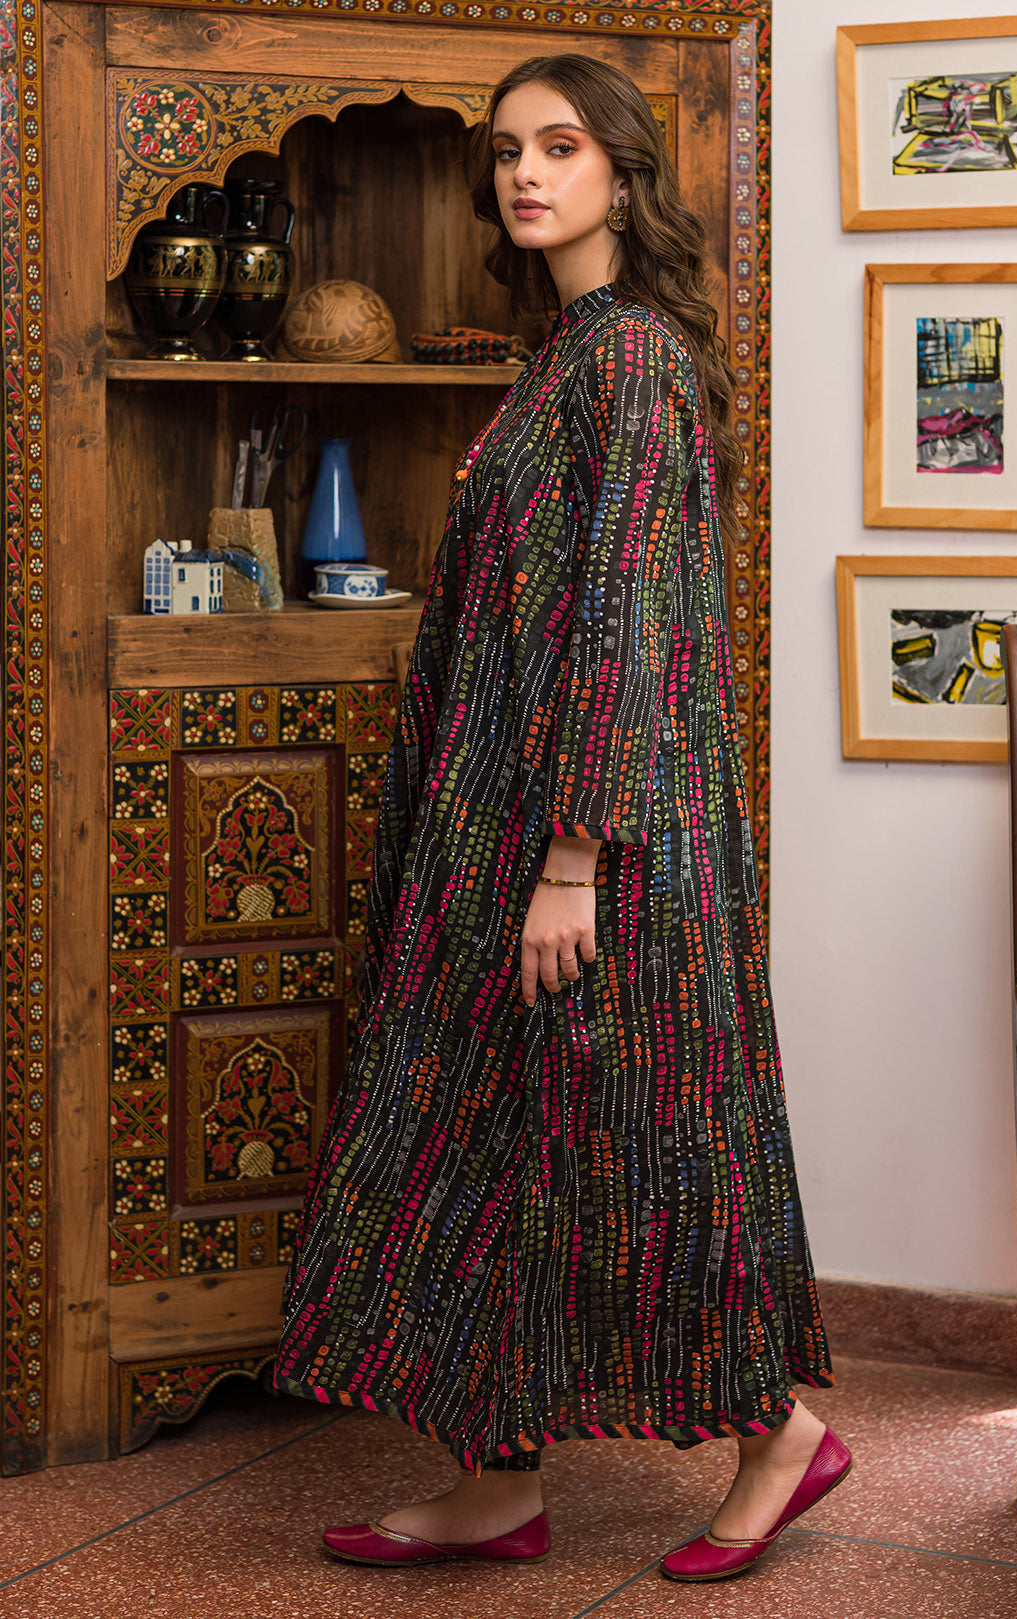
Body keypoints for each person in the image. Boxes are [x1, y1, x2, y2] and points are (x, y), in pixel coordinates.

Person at [272, 52, 850, 1584]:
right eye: (508, 151)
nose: (527, 173)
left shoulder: (633, 360)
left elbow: (629, 620)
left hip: (600, 845)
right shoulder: (563, 356)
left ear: (623, 173)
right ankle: (498, 1480)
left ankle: (779, 1436)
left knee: (643, 1140)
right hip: (508, 828)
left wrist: (577, 857)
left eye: (563, 145)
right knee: (488, 1139)